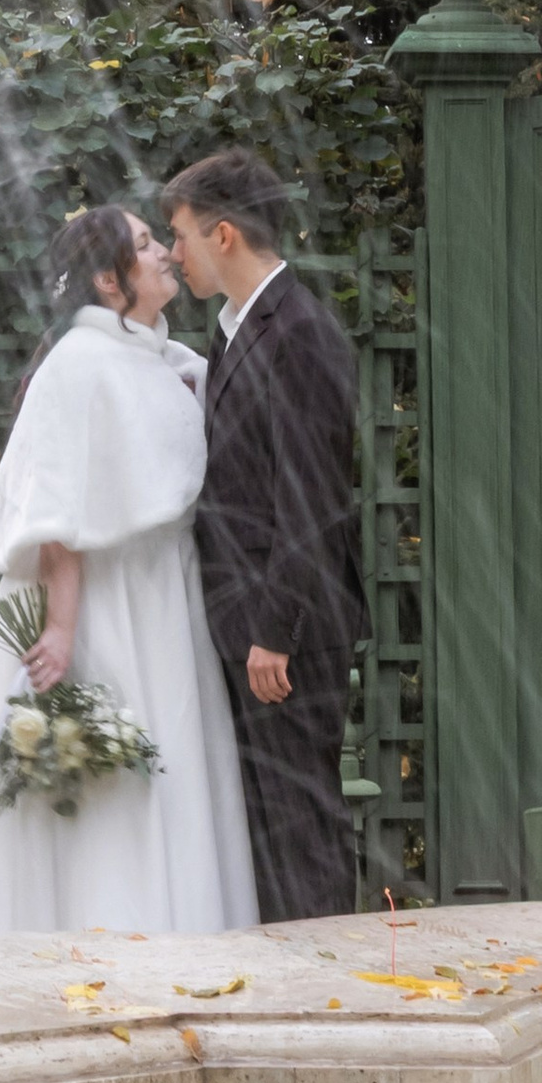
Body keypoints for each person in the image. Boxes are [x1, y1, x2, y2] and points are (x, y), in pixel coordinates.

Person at [0, 203, 257, 941]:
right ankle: (108, 938)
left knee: (167, 774)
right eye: (145, 245)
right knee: (108, 789)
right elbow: (56, 516)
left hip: (161, 598)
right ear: (111, 280)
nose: (165, 254)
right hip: (106, 608)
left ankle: (178, 933)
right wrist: (64, 630)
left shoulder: (159, 358)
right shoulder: (78, 364)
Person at [163, 145, 365, 923]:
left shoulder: (299, 331)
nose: (172, 253)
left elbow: (311, 495)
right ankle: (294, 989)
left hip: (288, 637)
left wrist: (274, 631)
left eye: (179, 234)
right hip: (247, 627)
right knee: (268, 829)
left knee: (300, 823)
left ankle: (329, 989)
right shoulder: (235, 330)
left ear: (223, 236)